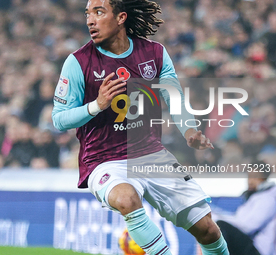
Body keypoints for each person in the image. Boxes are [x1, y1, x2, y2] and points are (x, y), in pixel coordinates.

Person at [52, 1, 229, 254]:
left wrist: (189, 131)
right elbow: (59, 119)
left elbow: (173, 97)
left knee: (207, 229)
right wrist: (96, 105)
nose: (90, 20)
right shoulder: (78, 61)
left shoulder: (154, 53)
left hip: (151, 154)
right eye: (87, 14)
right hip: (104, 160)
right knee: (126, 199)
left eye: (99, 12)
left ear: (121, 17)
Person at [214, 162, 276, 255]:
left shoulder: (268, 199)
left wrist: (218, 219)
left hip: (259, 251)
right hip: (251, 246)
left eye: (255, 177)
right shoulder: (254, 197)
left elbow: (248, 226)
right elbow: (238, 220)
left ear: (264, 178)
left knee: (222, 227)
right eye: (249, 176)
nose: (250, 181)